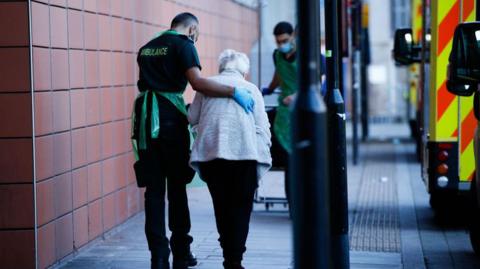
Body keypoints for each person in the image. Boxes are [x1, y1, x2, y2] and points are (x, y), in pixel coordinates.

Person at [132, 13, 256, 269]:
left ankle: (158, 258)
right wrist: (234, 91)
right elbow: (198, 83)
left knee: (153, 193)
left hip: (145, 122)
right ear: (192, 29)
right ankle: (181, 252)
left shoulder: (147, 47)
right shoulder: (184, 45)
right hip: (169, 122)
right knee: (177, 190)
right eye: (196, 35)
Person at [188, 49, 272, 269]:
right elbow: (263, 127)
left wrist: (204, 127)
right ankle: (235, 259)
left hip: (213, 155)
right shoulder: (251, 89)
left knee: (222, 205)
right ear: (244, 73)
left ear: (221, 68)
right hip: (244, 155)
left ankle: (228, 251)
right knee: (241, 207)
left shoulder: (207, 86)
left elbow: (192, 117)